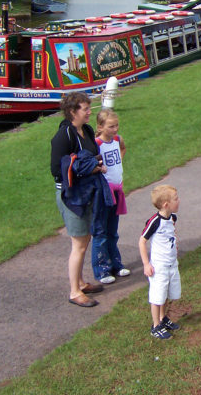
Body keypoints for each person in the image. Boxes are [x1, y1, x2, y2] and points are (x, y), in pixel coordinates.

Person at [50, 92, 106, 308]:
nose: (90, 112)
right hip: (72, 195)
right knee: (79, 243)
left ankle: (81, 282)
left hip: (87, 191)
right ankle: (74, 291)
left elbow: (92, 154)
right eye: (86, 109)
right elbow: (57, 170)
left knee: (85, 238)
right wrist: (85, 168)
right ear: (73, 111)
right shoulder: (64, 135)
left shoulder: (88, 130)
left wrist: (96, 164)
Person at [92, 109, 130, 284]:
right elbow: (91, 164)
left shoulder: (117, 139)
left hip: (117, 190)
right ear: (100, 127)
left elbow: (123, 148)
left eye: (117, 125)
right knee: (101, 231)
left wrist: (118, 163)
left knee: (113, 231)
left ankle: (116, 264)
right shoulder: (96, 143)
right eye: (111, 126)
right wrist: (101, 168)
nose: (115, 129)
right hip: (104, 193)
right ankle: (102, 269)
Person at [139, 184, 182, 340]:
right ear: (166, 204)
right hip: (159, 266)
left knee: (167, 293)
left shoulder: (172, 218)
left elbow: (171, 233)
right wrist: (146, 264)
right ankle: (155, 325)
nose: (179, 201)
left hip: (171, 263)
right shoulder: (154, 222)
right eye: (176, 199)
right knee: (157, 296)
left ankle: (163, 319)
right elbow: (142, 241)